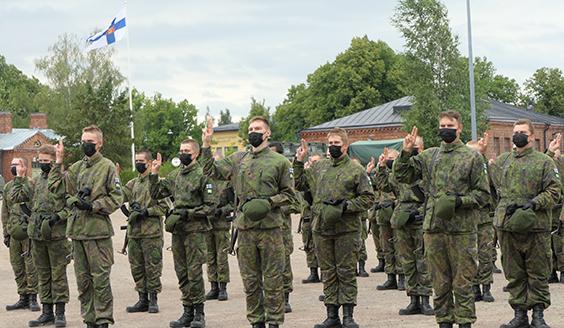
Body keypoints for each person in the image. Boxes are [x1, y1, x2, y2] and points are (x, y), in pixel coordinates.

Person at [393, 111, 490, 328]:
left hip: (462, 231)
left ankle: (465, 323)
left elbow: (483, 195)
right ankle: (444, 322)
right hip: (434, 230)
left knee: (463, 283)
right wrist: (406, 152)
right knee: (440, 283)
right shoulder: (430, 156)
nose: (445, 129)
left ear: (459, 128)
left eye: (450, 125)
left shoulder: (472, 157)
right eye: (442, 125)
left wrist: (459, 201)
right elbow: (402, 176)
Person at [201, 116, 297, 328]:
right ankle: (256, 322)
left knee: (273, 281)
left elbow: (290, 195)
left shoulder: (280, 162)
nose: (254, 131)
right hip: (245, 230)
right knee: (250, 281)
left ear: (267, 133)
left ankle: (274, 323)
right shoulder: (238, 159)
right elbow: (210, 171)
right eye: (251, 128)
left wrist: (269, 202)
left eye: (258, 128)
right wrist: (206, 145)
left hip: (271, 229)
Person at [294, 128, 375, 328]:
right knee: (328, 272)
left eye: (337, 143)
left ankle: (348, 315)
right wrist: (298, 162)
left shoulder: (356, 170)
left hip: (347, 229)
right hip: (322, 228)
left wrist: (346, 206)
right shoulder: (319, 167)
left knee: (346, 272)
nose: (332, 147)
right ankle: (332, 315)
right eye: (330, 143)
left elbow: (368, 198)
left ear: (345, 146)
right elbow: (300, 184)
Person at [51, 126, 123, 328]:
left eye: (90, 141)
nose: (86, 145)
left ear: (99, 143)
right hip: (78, 233)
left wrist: (93, 205)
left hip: (97, 233)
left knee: (100, 281)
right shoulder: (76, 168)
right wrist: (58, 161)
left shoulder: (107, 167)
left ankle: (102, 320)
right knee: (83, 282)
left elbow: (117, 197)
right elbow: (56, 188)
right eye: (83, 141)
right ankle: (89, 320)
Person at [493, 119, 561, 328]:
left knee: (538, 272)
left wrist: (534, 203)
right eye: (515, 132)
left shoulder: (544, 162)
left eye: (522, 132)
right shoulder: (502, 162)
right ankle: (519, 314)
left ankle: (538, 315)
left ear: (532, 136)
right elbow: (494, 189)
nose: (518, 136)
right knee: (514, 273)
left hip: (536, 227)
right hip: (509, 226)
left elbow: (554, 191)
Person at [149, 139, 214, 328]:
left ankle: (199, 314)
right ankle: (187, 311)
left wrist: (190, 213)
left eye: (186, 150)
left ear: (195, 154)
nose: (182, 153)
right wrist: (154, 173)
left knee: (194, 272)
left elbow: (211, 206)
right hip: (179, 232)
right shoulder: (175, 175)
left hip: (196, 231)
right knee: (182, 272)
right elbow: (156, 194)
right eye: (180, 150)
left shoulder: (203, 175)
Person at [11, 146, 71, 327]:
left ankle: (60, 313)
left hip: (56, 235)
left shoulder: (65, 179)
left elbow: (71, 206)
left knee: (58, 275)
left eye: (47, 161)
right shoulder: (36, 182)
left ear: (54, 161)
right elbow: (16, 197)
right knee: (42, 275)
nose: (43, 164)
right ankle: (47, 312)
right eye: (41, 160)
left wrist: (57, 217)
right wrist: (20, 177)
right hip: (37, 236)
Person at [375, 141, 434, 317]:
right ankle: (413, 299)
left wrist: (422, 212)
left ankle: (425, 299)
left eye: (417, 146)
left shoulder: (427, 168)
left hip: (420, 215)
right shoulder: (400, 170)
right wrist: (381, 167)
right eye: (411, 146)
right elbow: (385, 186)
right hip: (402, 217)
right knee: (407, 261)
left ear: (422, 149)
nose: (414, 149)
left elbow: (434, 194)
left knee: (423, 260)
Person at [122, 150, 168, 314]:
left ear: (149, 163)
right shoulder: (132, 183)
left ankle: (153, 299)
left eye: (141, 160)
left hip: (151, 233)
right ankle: (142, 299)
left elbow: (164, 206)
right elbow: (119, 196)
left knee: (153, 267)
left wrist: (146, 211)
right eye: (136, 160)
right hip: (134, 233)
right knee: (137, 267)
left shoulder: (157, 183)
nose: (138, 163)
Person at [2, 157, 40, 313]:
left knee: (31, 266)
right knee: (17, 266)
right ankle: (22, 297)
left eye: (15, 164)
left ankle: (32, 298)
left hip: (28, 233)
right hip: (14, 232)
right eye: (11, 164)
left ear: (24, 167)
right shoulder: (8, 186)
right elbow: (5, 211)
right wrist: (6, 232)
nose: (12, 167)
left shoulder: (32, 184)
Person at [466, 137, 496, 303]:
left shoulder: (484, 168)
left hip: (483, 218)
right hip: (466, 218)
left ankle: (486, 287)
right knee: (469, 255)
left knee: (485, 253)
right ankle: (474, 287)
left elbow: (489, 182)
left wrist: (483, 157)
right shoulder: (461, 168)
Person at [269, 141, 298, 313]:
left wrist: (275, 205)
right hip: (267, 226)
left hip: (282, 227)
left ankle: (285, 297)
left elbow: (295, 203)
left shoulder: (287, 172)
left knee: (284, 263)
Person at [373, 149, 405, 291]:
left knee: (399, 246)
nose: (389, 160)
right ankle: (390, 276)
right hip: (383, 214)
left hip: (397, 213)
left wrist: (393, 202)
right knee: (386, 246)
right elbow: (379, 185)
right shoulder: (383, 173)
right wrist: (381, 166)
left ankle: (402, 276)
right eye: (388, 158)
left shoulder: (401, 174)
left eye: (392, 158)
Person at [204, 154, 234, 302]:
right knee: (210, 256)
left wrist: (222, 210)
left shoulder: (227, 183)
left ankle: (223, 288)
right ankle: (213, 286)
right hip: (207, 224)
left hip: (221, 225)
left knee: (221, 256)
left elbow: (233, 204)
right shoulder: (205, 181)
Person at [300, 153, 324, 284]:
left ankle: (325, 273)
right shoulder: (306, 178)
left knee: (322, 246)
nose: (312, 163)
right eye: (311, 161)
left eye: (315, 161)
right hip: (307, 216)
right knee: (308, 245)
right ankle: (313, 272)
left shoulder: (323, 177)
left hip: (320, 217)